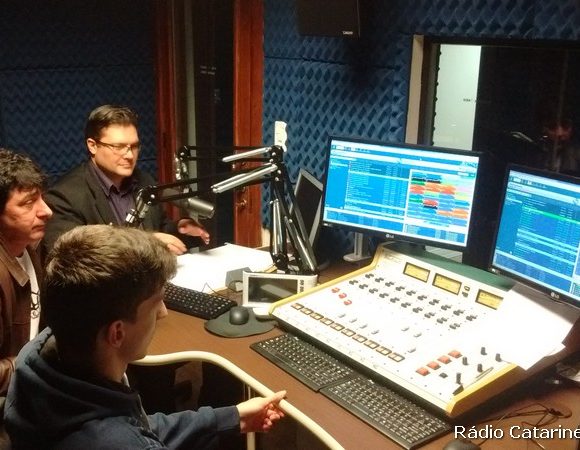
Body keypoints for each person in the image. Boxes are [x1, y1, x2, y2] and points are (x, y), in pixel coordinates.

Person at [4, 225, 286, 449]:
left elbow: (135, 427)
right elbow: (129, 438)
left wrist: (230, 418)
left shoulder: (36, 355)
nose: (163, 313)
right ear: (117, 333)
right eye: (156, 303)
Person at [42, 104, 210, 256]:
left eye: (134, 146)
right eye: (118, 147)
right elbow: (70, 256)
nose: (129, 155)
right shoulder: (65, 196)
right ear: (92, 145)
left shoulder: (144, 181)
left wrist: (179, 229)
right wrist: (147, 242)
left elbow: (159, 228)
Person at [0, 149, 52, 394]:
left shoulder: (31, 247)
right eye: (28, 203)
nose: (46, 211)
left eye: (41, 198)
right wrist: (38, 365)